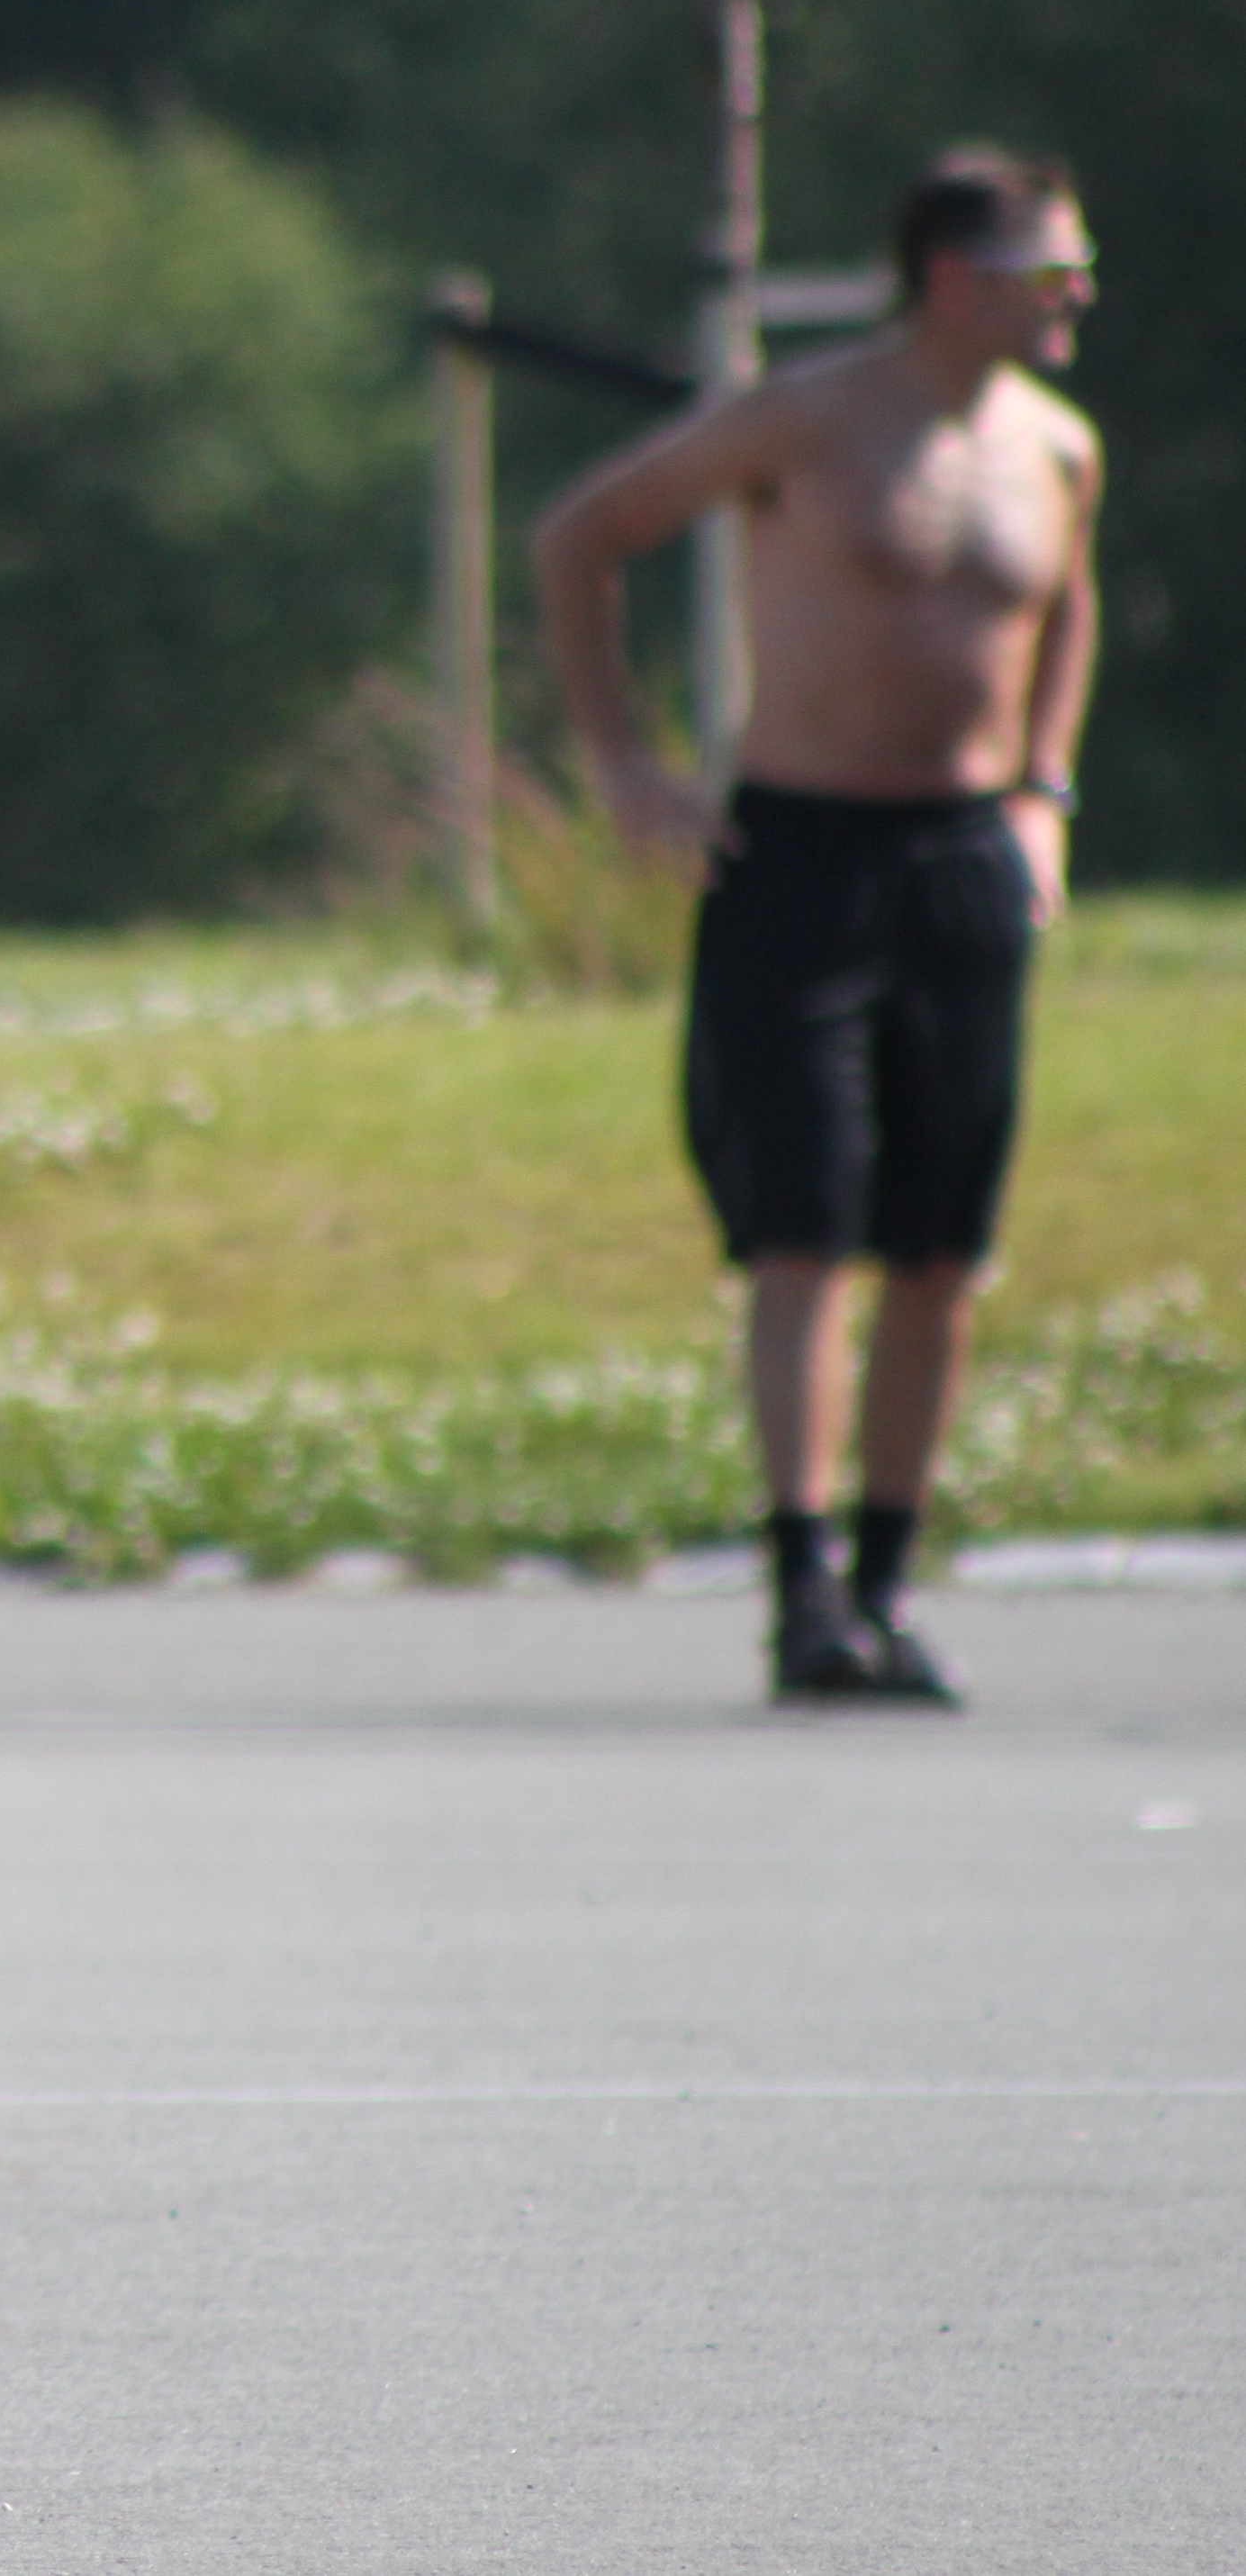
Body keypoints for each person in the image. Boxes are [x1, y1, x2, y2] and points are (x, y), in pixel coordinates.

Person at [533, 146, 1101, 1709]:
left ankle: (884, 1586)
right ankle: (799, 1594)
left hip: (961, 856)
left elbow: (1065, 610)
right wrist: (624, 766)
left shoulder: (1056, 446)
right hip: (799, 853)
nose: (1076, 296)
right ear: (951, 279)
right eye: (1049, 269)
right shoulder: (803, 419)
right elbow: (582, 535)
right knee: (802, 1227)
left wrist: (1042, 789)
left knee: (940, 1247)